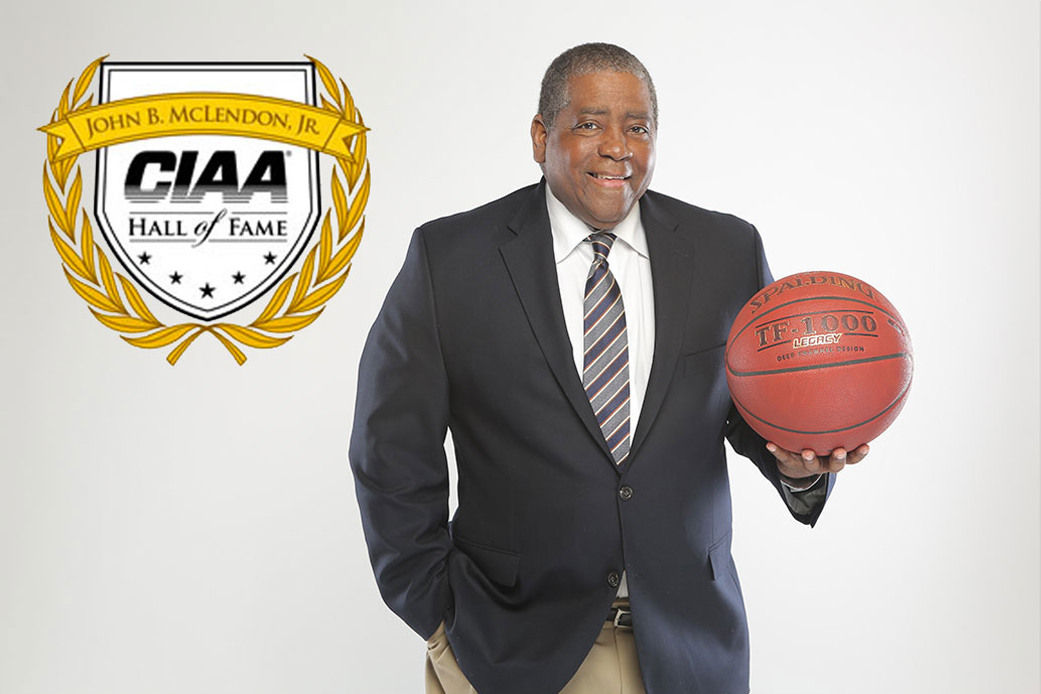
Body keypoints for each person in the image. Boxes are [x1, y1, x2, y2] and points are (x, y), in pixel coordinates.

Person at [349, 43, 867, 694]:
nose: (617, 147)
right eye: (590, 123)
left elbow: (755, 411)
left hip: (689, 645)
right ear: (542, 137)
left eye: (637, 127)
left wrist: (796, 467)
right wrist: (435, 613)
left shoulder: (727, 251)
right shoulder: (450, 261)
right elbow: (389, 448)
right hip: (510, 649)